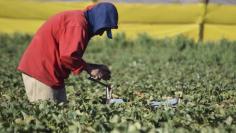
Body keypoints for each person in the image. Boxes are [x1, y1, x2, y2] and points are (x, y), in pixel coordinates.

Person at [17, 2, 118, 103]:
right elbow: (68, 56)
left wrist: (93, 67)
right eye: (103, 29)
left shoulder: (79, 20)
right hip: (40, 72)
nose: (100, 34)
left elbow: (69, 55)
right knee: (46, 113)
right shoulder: (77, 24)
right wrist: (89, 68)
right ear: (98, 20)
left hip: (52, 74)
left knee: (60, 113)